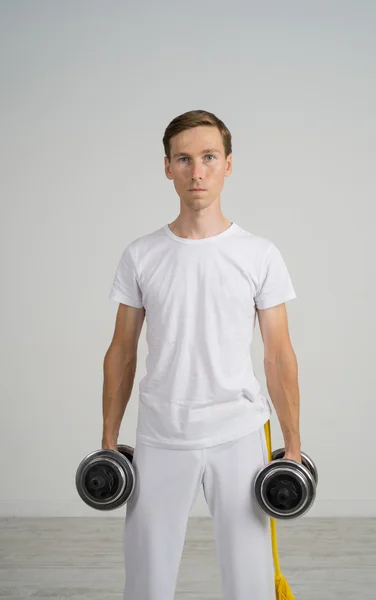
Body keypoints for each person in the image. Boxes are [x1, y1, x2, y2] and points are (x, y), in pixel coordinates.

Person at [102, 110, 301, 600]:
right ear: (167, 167)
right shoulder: (141, 254)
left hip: (239, 434)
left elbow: (278, 355)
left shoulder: (259, 254)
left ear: (228, 165)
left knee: (249, 584)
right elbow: (122, 351)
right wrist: (108, 437)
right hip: (161, 435)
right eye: (184, 159)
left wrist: (293, 444)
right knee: (146, 584)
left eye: (209, 157)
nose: (197, 171)